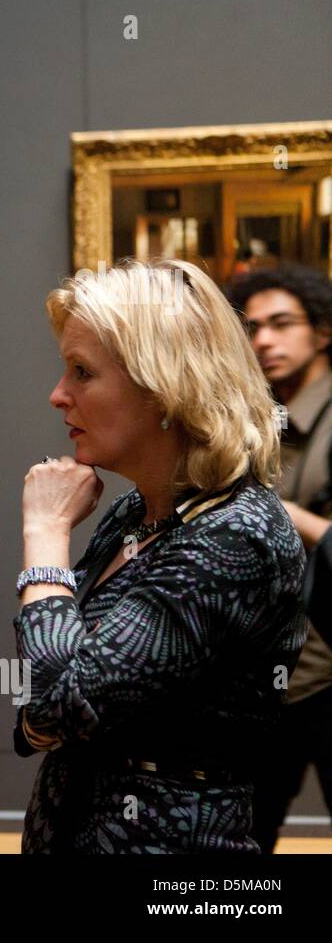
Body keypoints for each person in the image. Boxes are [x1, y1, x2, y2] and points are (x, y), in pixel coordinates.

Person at [12, 257, 307, 853]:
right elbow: (48, 694)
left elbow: (55, 702)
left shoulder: (235, 534)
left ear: (165, 385)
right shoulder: (137, 513)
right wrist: (48, 711)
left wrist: (44, 532)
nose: (57, 395)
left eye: (82, 372)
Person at [227, 263, 332, 851]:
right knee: (240, 842)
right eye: (253, 327)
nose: (264, 339)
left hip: (326, 671)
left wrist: (280, 514)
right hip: (267, 676)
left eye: (282, 323)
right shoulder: (250, 419)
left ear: (321, 331)